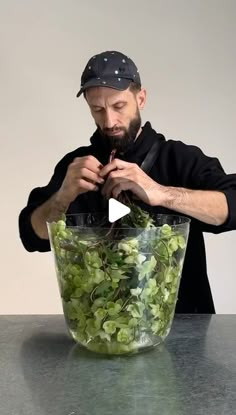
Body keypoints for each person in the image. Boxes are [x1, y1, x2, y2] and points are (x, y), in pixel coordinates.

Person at [18, 50, 236, 314]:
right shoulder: (76, 166)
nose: (109, 121)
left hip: (185, 331)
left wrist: (161, 193)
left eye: (119, 106)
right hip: (100, 332)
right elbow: (32, 236)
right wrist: (63, 196)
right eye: (97, 109)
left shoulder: (178, 158)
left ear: (141, 98)